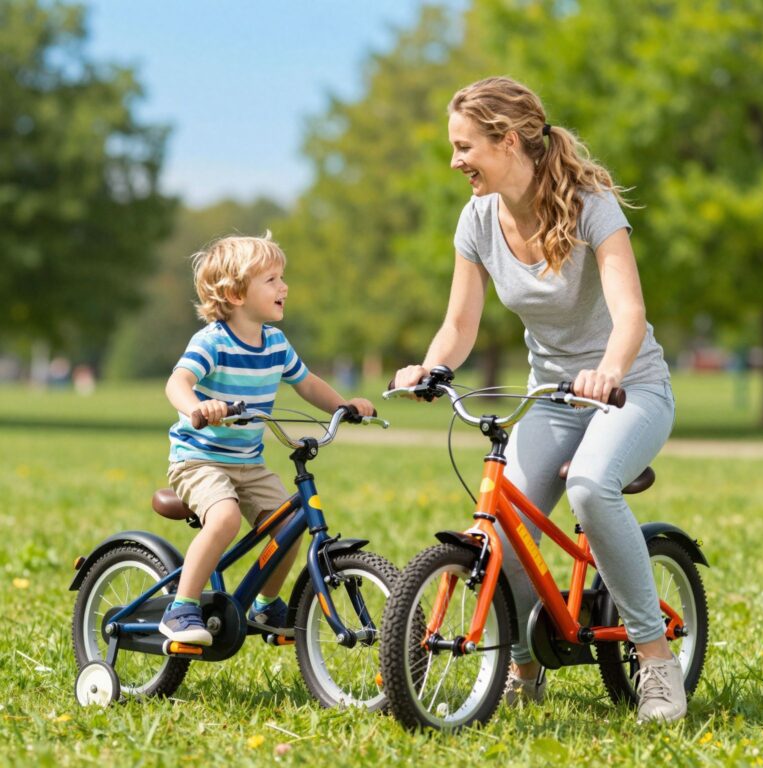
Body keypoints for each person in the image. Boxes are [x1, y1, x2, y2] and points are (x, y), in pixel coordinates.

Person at [392, 77, 683, 723]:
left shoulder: (590, 204)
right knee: (500, 527)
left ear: (508, 139)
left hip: (629, 387)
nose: (455, 161)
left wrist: (607, 370)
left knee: (589, 487)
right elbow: (459, 325)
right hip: (550, 396)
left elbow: (630, 313)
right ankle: (521, 665)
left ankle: (657, 660)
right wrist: (432, 367)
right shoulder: (476, 221)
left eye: (465, 146)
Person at [162, 233, 374, 645]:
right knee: (223, 519)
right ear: (235, 293)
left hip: (248, 464)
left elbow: (307, 382)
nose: (284, 287)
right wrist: (196, 408)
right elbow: (178, 381)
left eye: (282, 278)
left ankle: (265, 603)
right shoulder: (213, 341)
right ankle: (182, 607)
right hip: (199, 459)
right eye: (272, 279)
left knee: (291, 525)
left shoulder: (275, 343)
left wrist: (341, 405)